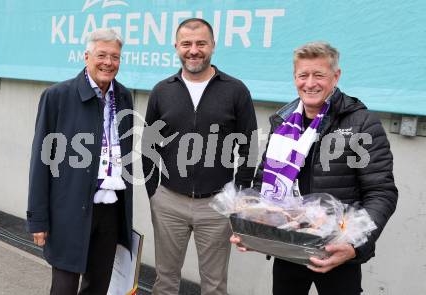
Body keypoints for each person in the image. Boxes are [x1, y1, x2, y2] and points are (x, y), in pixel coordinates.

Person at [231, 41, 398, 295]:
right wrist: (255, 227)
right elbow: (263, 182)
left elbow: (381, 193)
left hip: (337, 252)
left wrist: (354, 245)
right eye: (303, 75)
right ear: (294, 77)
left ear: (336, 76)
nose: (310, 83)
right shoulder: (283, 123)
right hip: (287, 245)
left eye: (319, 75)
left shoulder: (362, 123)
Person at [141, 18, 258, 295]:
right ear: (177, 47)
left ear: (213, 46)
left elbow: (249, 148)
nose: (194, 50)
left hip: (216, 205)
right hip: (169, 202)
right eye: (187, 44)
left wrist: (237, 198)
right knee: (165, 281)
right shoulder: (162, 90)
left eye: (201, 43)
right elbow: (149, 147)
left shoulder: (235, 90)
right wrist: (154, 192)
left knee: (215, 286)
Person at [26, 28, 134, 295]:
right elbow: (41, 161)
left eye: (115, 57)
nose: (108, 62)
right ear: (86, 56)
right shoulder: (57, 96)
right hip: (69, 209)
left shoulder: (124, 97)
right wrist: (38, 218)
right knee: (64, 286)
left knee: (98, 286)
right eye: (102, 55)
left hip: (110, 209)